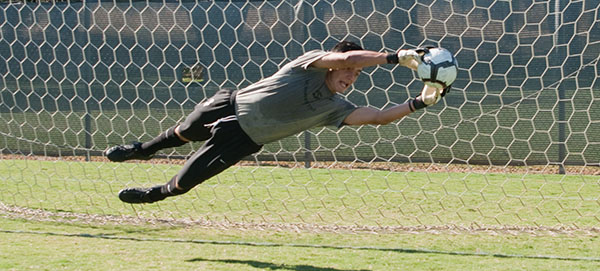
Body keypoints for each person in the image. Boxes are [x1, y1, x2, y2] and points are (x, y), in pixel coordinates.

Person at [106, 41, 444, 204]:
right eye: (349, 71)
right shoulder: (307, 64)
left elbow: (378, 118)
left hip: (243, 139)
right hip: (227, 104)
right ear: (332, 66)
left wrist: (417, 102)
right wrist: (394, 57)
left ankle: (154, 195)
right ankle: (142, 150)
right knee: (179, 134)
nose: (352, 76)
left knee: (184, 182)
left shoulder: (334, 108)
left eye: (356, 74)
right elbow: (346, 55)